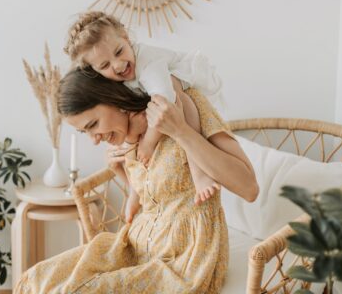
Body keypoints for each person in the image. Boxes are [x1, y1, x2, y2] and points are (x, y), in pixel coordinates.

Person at [14, 68, 258, 294]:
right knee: (37, 279)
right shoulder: (128, 137)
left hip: (185, 259)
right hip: (136, 245)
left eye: (93, 125)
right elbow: (150, 197)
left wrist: (181, 131)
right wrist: (120, 169)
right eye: (84, 132)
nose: (94, 140)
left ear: (114, 99)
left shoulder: (184, 104)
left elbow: (249, 188)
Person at [64, 11, 226, 206]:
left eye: (119, 52)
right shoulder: (117, 87)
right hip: (165, 98)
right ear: (96, 71)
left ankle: (200, 174)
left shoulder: (148, 63)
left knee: (178, 102)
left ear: (126, 37)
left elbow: (165, 102)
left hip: (189, 82)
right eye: (105, 65)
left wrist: (148, 143)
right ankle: (137, 193)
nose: (118, 65)